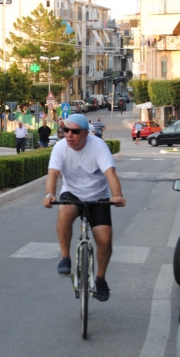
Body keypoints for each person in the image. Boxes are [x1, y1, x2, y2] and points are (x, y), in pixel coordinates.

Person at [42, 113, 126, 302]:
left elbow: (110, 173)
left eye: (75, 132)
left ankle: (100, 279)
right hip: (72, 193)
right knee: (63, 214)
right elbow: (53, 174)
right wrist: (49, 195)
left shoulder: (98, 146)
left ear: (86, 134)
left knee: (104, 240)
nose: (69, 135)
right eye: (66, 131)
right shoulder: (60, 147)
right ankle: (65, 257)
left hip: (98, 196)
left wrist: (117, 195)